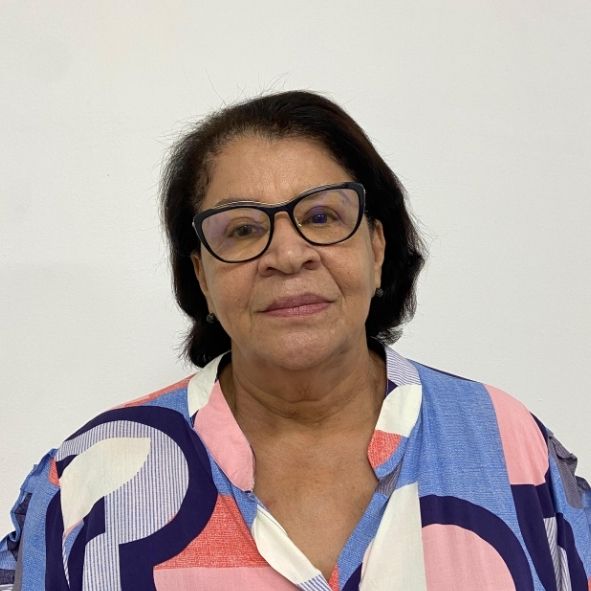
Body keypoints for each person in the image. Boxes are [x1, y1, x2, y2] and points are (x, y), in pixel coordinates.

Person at [1, 90, 589, 591]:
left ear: (377, 247)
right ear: (201, 275)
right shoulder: (87, 484)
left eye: (322, 217)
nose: (287, 254)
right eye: (242, 229)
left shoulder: (510, 446)